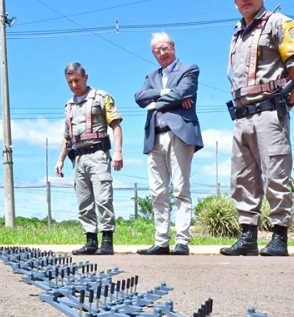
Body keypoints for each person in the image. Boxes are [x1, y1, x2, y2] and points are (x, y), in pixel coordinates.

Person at [220, 0, 294, 257]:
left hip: (270, 112)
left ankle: (279, 237)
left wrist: (288, 102)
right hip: (241, 116)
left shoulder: (278, 22)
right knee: (242, 178)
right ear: (235, 2)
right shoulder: (238, 33)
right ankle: (248, 238)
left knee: (276, 174)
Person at [134, 32, 203, 255]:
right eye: (157, 51)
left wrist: (155, 102)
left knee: (181, 189)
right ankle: (161, 241)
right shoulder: (150, 75)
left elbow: (185, 91)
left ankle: (182, 241)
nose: (161, 53)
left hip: (179, 135)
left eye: (164, 48)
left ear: (173, 47)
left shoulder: (189, 69)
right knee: (158, 192)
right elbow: (139, 97)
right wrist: (167, 93)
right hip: (154, 137)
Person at [55, 62, 124, 255]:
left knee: (103, 198)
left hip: (98, 155)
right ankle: (90, 241)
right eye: (70, 82)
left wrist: (118, 152)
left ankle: (107, 241)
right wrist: (60, 160)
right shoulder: (68, 106)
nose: (74, 85)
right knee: (83, 201)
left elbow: (115, 125)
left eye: (77, 80)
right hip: (78, 158)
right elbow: (67, 137)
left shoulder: (101, 97)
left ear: (85, 77)